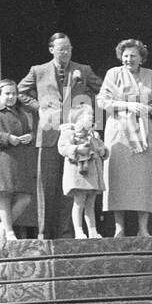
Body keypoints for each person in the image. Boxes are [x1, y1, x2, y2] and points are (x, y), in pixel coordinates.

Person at [17, 33, 102, 240]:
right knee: (47, 184)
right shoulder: (38, 71)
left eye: (68, 48)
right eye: (61, 48)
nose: (65, 52)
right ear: (51, 49)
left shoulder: (83, 70)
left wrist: (89, 116)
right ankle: (45, 232)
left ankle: (69, 232)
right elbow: (21, 92)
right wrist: (39, 108)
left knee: (73, 186)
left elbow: (102, 91)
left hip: (77, 137)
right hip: (49, 134)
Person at [98, 38, 152, 237]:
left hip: (142, 135)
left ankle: (143, 228)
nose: (128, 59)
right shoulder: (113, 74)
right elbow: (101, 101)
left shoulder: (150, 75)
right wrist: (127, 106)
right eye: (125, 56)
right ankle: (120, 228)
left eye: (133, 56)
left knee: (142, 181)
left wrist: (148, 108)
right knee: (118, 179)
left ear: (141, 58)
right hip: (119, 133)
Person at [0, 78, 37, 243]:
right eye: (7, 93)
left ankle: (1, 227)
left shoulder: (22, 113)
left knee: (25, 197)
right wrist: (6, 138)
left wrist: (30, 137)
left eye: (14, 93)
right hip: (3, 160)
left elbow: (29, 131)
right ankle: (10, 232)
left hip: (20, 161)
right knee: (5, 195)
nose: (11, 97)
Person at [57, 99, 107, 240]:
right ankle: (78, 230)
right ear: (78, 119)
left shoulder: (94, 135)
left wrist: (102, 151)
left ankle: (92, 231)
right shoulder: (69, 134)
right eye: (88, 116)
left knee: (90, 203)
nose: (91, 118)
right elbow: (63, 148)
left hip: (92, 174)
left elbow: (101, 148)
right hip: (78, 174)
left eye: (92, 116)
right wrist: (76, 148)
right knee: (79, 202)